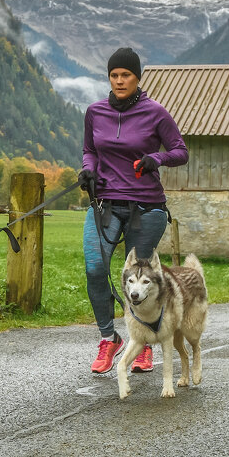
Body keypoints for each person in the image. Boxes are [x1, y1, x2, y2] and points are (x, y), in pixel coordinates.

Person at [78, 47, 188, 374]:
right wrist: (88, 170)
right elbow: (89, 150)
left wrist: (157, 158)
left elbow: (181, 152)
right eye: (114, 75)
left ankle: (144, 344)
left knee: (140, 279)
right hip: (105, 204)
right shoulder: (95, 112)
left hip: (147, 206)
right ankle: (108, 339)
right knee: (95, 268)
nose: (119, 80)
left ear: (137, 77)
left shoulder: (155, 113)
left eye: (126, 75)